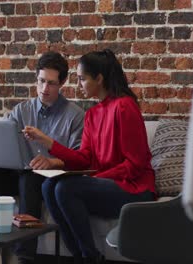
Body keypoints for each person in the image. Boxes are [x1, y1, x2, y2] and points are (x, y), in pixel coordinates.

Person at [23, 49, 156, 264]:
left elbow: (136, 164)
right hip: (107, 184)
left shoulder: (125, 107)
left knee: (67, 188)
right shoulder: (93, 114)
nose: (78, 85)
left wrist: (96, 179)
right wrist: (47, 142)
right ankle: (80, 256)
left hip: (135, 189)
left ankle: (89, 257)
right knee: (48, 186)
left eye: (82, 79)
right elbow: (84, 158)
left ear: (99, 79)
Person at [0, 51, 85, 264]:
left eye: (51, 83)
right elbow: (4, 144)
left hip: (48, 179)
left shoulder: (75, 116)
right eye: (40, 81)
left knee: (30, 178)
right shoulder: (21, 110)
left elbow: (78, 158)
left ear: (62, 83)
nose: (44, 89)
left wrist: (52, 161)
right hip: (17, 173)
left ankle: (25, 256)